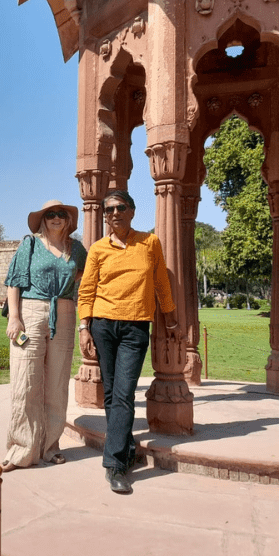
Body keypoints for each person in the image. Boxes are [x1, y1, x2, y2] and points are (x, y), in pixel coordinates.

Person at [77, 190, 178, 494]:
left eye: (120, 208)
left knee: (123, 393)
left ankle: (115, 465)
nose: (114, 214)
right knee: (112, 394)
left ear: (132, 211)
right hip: (103, 325)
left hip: (135, 327)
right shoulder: (97, 249)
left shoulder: (149, 243)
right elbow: (87, 290)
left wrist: (171, 318)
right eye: (108, 210)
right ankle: (125, 450)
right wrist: (85, 327)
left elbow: (161, 282)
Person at [2, 200, 88, 472]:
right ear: (43, 219)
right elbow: (14, 282)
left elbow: (85, 277)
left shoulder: (76, 249)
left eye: (60, 214)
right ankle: (22, 450)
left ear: (68, 220)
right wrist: (14, 316)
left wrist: (67, 293)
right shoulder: (30, 245)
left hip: (63, 312)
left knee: (57, 383)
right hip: (31, 312)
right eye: (50, 214)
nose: (55, 218)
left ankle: (50, 447)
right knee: (25, 381)